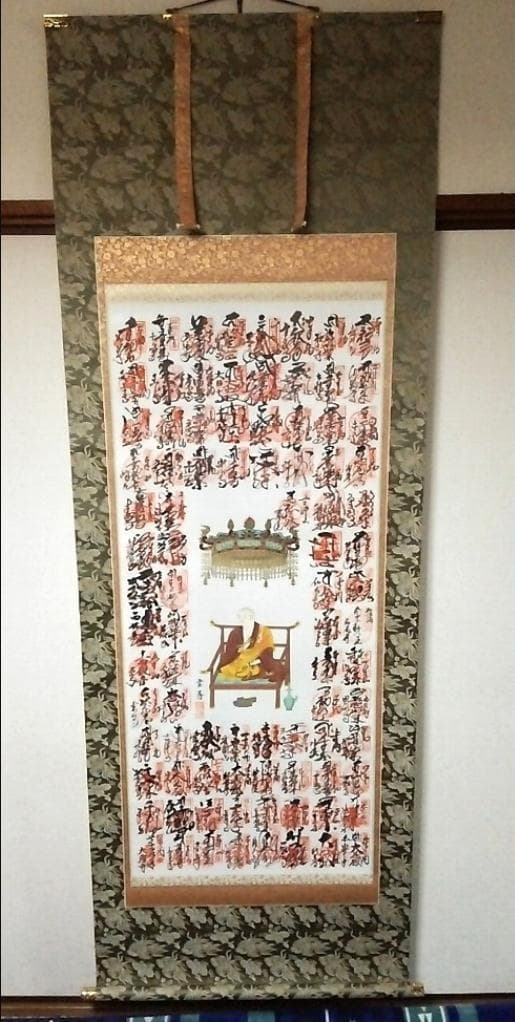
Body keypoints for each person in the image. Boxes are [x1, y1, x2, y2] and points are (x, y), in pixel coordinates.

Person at [218, 608, 284, 683]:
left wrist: (257, 659)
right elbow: (230, 651)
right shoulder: (235, 632)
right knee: (228, 670)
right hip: (240, 659)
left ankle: (255, 670)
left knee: (252, 668)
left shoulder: (263, 631)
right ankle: (253, 671)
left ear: (252, 617)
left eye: (245, 617)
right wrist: (242, 648)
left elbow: (267, 649)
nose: (242, 619)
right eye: (240, 617)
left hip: (257, 659)